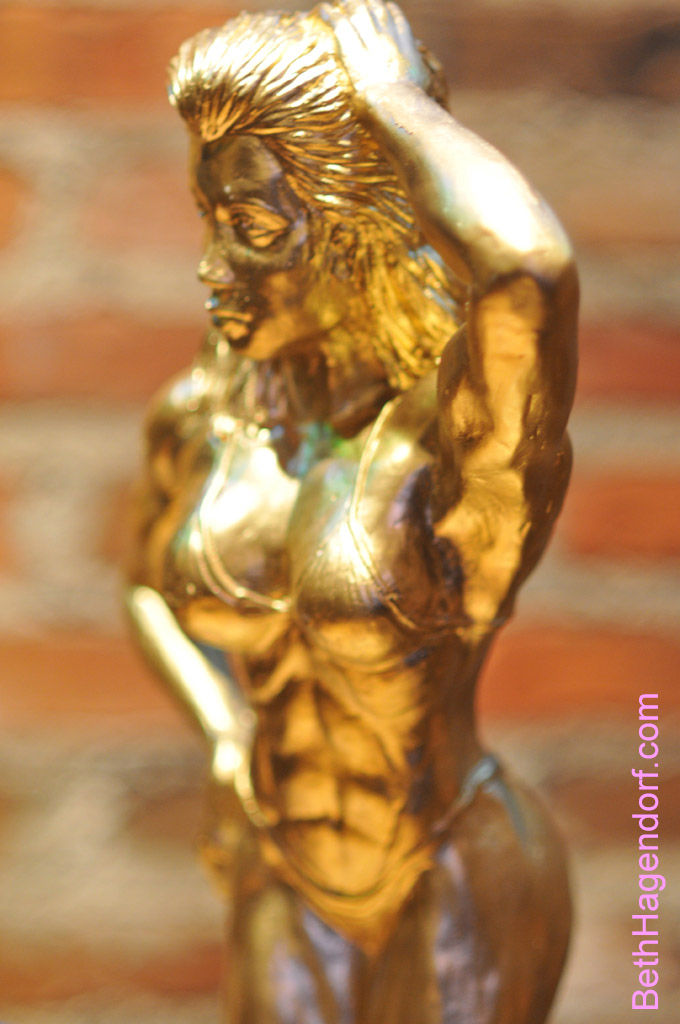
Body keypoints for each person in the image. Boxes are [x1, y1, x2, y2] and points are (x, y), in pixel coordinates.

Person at [125, 2, 577, 1021]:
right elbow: (143, 586)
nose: (210, 270)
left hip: (447, 867)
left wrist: (392, 105)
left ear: (355, 228)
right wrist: (223, 731)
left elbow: (527, 269)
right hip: (282, 865)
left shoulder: (444, 454)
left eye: (250, 230)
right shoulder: (212, 417)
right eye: (208, 220)